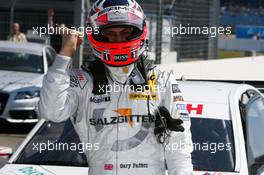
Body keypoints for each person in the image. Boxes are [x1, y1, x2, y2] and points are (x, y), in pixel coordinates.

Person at [39, 0, 193, 175]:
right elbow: (51, 112)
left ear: (139, 31)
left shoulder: (161, 80)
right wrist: (64, 56)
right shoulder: (83, 80)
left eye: (126, 32)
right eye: (110, 33)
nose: (118, 40)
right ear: (96, 34)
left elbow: (180, 148)